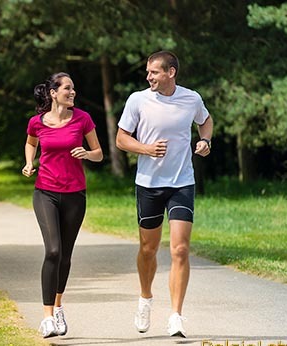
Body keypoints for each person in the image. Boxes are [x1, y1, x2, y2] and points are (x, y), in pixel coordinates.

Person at [115, 51, 213, 338]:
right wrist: (146, 148)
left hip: (182, 182)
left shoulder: (191, 98)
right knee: (148, 249)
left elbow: (205, 120)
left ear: (171, 72)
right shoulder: (138, 100)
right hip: (149, 184)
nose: (148, 77)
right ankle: (145, 298)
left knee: (180, 249)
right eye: (148, 72)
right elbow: (121, 139)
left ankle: (176, 316)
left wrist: (205, 139)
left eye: (154, 72)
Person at [22, 72, 103, 338]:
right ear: (53, 93)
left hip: (75, 194)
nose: (73, 92)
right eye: (67, 88)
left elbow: (99, 153)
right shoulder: (37, 122)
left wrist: (87, 154)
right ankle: (46, 318)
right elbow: (31, 142)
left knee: (65, 256)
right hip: (45, 192)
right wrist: (29, 162)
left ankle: (58, 306)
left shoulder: (83, 119)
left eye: (73, 88)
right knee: (53, 251)